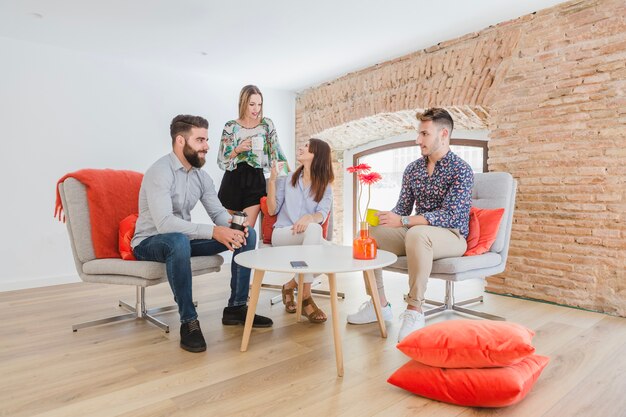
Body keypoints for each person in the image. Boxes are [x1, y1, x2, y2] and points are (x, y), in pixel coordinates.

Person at [131, 114, 273, 353]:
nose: (207, 146)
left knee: (247, 236)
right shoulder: (160, 172)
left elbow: (218, 214)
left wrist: (234, 226)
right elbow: (165, 224)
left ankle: (236, 308)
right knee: (177, 241)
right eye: (200, 140)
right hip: (150, 242)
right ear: (180, 141)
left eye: (206, 140)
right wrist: (215, 232)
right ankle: (189, 321)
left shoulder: (201, 177)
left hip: (183, 241)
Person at [346, 108, 473, 342]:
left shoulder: (461, 170)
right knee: (366, 236)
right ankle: (379, 304)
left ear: (443, 134)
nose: (418, 140)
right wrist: (385, 217)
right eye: (419, 134)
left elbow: (452, 216)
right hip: (417, 231)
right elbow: (402, 209)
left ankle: (414, 311)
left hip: (451, 236)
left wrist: (404, 221)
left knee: (417, 234)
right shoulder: (413, 169)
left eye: (424, 134)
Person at [266, 138, 334, 323]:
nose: (301, 148)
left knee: (333, 252)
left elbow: (322, 213)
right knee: (314, 231)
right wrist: (272, 181)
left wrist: (310, 218)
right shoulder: (288, 179)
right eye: (301, 145)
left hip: (307, 236)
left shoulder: (325, 185)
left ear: (317, 155)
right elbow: (272, 210)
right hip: (282, 233)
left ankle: (290, 285)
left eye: (306, 147)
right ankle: (305, 296)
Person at [217, 85, 288, 228]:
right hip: (232, 179)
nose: (257, 109)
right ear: (243, 103)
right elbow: (222, 159)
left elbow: (277, 152)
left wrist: (291, 177)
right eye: (252, 104)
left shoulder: (266, 124)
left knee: (246, 231)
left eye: (259, 104)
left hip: (255, 179)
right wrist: (238, 149)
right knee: (231, 232)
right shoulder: (230, 126)